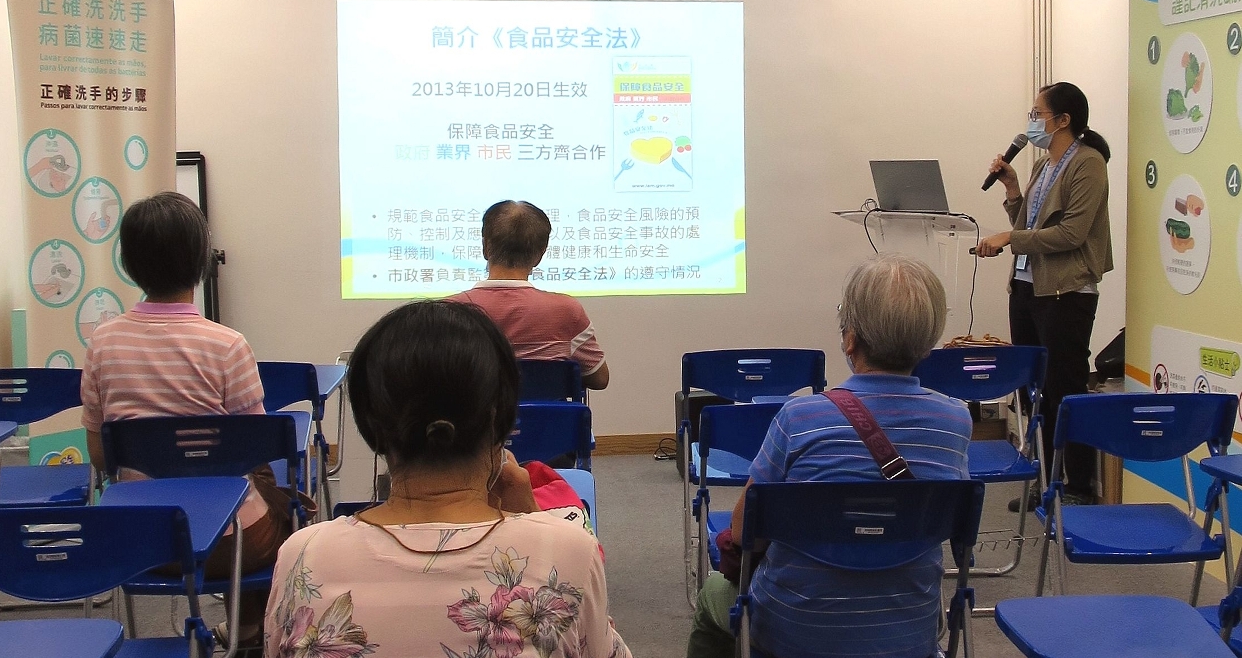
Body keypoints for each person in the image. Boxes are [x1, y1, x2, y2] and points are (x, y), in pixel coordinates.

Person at [263, 300, 630, 658]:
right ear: (502, 421)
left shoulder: (304, 555)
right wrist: (535, 520)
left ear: (371, 429)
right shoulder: (568, 552)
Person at [686, 254, 972, 658]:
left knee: (713, 594)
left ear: (849, 339)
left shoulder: (800, 417)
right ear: (928, 346)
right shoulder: (955, 420)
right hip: (908, 632)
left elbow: (743, 529)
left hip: (793, 632)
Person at [80, 191, 292, 654]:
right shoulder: (228, 345)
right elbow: (254, 448)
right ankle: (249, 631)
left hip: (138, 543)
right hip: (233, 546)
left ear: (128, 262)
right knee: (277, 502)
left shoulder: (102, 344)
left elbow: (100, 456)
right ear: (201, 261)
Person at [976, 81, 1113, 508]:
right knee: (1033, 389)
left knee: (1063, 388)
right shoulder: (1041, 165)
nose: (1032, 121)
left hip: (1065, 291)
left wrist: (1008, 238)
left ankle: (1078, 486)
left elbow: (1071, 233)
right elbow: (1030, 225)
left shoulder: (1088, 163)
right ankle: (1045, 481)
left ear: (1063, 120)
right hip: (1027, 286)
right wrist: (1012, 189)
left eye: (1038, 114)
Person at [451, 200, 610, 390]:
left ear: (485, 246)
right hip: (546, 410)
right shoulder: (567, 311)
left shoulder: (449, 311)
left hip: (478, 410)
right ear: (540, 254)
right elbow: (599, 379)